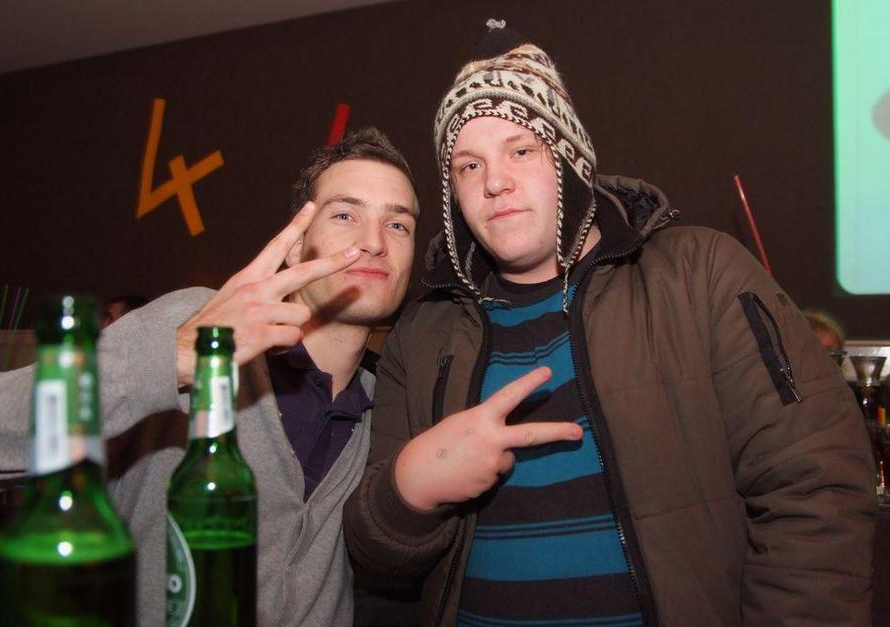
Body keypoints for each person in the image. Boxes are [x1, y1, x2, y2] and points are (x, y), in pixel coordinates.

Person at [343, 22, 875, 627]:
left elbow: (816, 487)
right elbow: (376, 558)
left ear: (571, 157)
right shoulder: (422, 332)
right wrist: (410, 489)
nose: (494, 182)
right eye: (468, 165)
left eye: (521, 150)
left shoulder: (700, 275)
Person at [0, 127, 419, 627]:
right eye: (345, 215)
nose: (374, 243)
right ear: (297, 245)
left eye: (398, 225)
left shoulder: (387, 406)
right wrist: (175, 357)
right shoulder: (196, 322)